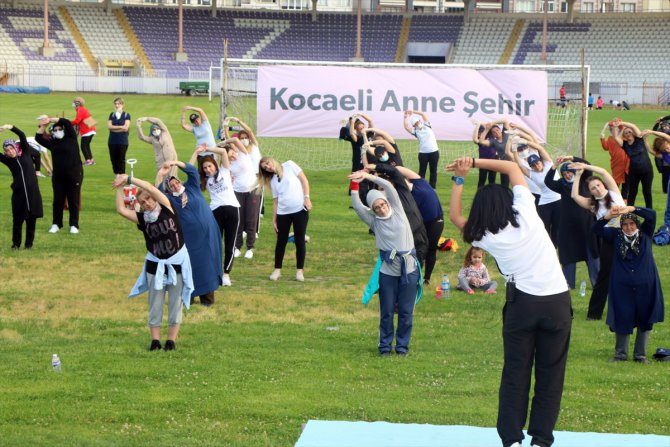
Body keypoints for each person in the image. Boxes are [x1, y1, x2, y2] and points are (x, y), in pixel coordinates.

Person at [448, 157, 571, 447]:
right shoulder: (527, 211)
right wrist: (474, 162)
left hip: (523, 306)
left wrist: (460, 178)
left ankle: (512, 439)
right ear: (509, 202)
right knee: (550, 375)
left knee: (516, 372)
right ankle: (541, 439)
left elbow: (455, 217)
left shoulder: (484, 235)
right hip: (556, 302)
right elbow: (512, 168)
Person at [112, 172, 194, 351]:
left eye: (148, 199)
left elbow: (149, 187)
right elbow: (121, 210)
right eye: (142, 203)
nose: (147, 203)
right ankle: (155, 341)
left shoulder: (167, 207)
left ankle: (171, 341)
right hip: (155, 265)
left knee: (175, 303)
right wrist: (119, 188)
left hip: (177, 263)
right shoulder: (143, 219)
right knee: (155, 303)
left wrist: (129, 179)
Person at [349, 170, 419, 356]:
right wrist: (355, 185)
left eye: (382, 204)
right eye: (376, 207)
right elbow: (357, 206)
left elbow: (388, 186)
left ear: (387, 202)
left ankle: (402, 348)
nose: (381, 208)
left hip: (409, 270)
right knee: (387, 312)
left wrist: (368, 176)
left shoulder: (398, 211)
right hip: (388, 273)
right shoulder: (374, 221)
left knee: (406, 313)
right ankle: (385, 347)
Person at [593, 206, 664, 363]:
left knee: (645, 318)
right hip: (621, 286)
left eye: (632, 224)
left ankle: (640, 355)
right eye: (625, 224)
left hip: (646, 286)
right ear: (621, 226)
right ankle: (620, 354)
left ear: (637, 225)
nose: (629, 227)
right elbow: (596, 229)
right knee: (622, 316)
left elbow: (651, 214)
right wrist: (607, 216)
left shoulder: (645, 234)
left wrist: (632, 208)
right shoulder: (615, 236)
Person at [157, 160, 223, 306]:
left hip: (209, 233)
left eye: (176, 183)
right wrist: (161, 175)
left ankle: (208, 299)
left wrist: (174, 162)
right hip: (190, 240)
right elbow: (158, 194)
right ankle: (189, 297)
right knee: (191, 267)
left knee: (208, 266)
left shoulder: (192, 188)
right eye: (172, 186)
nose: (175, 185)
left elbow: (192, 171)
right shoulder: (170, 200)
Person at [570, 162, 625, 321]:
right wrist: (578, 175)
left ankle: (628, 310)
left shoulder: (614, 192)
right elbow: (574, 196)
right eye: (593, 188)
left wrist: (585, 166)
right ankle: (594, 314)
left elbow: (603, 170)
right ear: (591, 192)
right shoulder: (593, 204)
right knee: (604, 278)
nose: (598, 189)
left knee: (627, 275)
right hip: (609, 240)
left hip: (626, 236)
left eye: (599, 185)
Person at [371, 164, 436, 285]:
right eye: (380, 189)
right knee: (396, 279)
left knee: (412, 278)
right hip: (396, 248)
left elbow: (394, 172)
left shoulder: (403, 192)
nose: (383, 192)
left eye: (385, 187)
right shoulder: (383, 208)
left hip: (417, 241)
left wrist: (376, 167)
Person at [190, 140, 243, 287]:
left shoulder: (225, 171)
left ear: (214, 165)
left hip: (233, 210)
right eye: (205, 167)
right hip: (216, 212)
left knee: (230, 244)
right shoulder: (204, 181)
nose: (207, 169)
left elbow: (223, 152)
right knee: (214, 243)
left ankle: (226, 274)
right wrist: (196, 153)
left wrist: (207, 148)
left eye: (209, 166)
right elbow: (189, 169)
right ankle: (214, 271)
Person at [544, 156, 600, 290]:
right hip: (568, 227)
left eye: (569, 172)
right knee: (569, 254)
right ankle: (568, 284)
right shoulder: (561, 185)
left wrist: (572, 158)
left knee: (591, 253)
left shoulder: (585, 181)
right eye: (564, 174)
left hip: (586, 225)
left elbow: (587, 164)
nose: (568, 175)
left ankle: (597, 283)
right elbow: (547, 182)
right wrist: (554, 166)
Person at [257, 157, 311, 282]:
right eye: (265, 168)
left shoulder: (290, 165)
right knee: (281, 241)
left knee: (300, 240)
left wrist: (307, 197)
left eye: (267, 163)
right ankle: (277, 270)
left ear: (271, 160)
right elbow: (276, 201)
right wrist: (274, 220)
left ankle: (299, 271)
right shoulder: (272, 180)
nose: (268, 167)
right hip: (283, 213)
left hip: (300, 210)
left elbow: (304, 180)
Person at [508, 139, 561, 246]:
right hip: (545, 203)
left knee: (557, 227)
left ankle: (554, 246)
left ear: (541, 161)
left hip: (558, 201)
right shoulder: (531, 174)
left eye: (537, 163)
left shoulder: (548, 164)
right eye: (533, 165)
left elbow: (540, 148)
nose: (537, 166)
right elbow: (518, 163)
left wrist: (524, 141)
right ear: (531, 167)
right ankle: (544, 245)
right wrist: (514, 149)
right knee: (544, 226)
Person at [35, 115, 84, 234]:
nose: (57, 132)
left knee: (73, 200)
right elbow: (38, 137)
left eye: (59, 129)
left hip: (74, 174)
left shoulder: (71, 137)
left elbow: (66, 122)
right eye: (55, 130)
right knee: (58, 201)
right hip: (58, 176)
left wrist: (50, 119)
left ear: (63, 130)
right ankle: (56, 224)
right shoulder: (52, 142)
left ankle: (74, 225)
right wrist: (44, 125)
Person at [0, 124, 43, 249]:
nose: (10, 151)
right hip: (19, 195)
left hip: (32, 193)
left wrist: (10, 127)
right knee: (17, 221)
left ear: (15, 147)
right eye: (7, 150)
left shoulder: (25, 152)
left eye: (11, 148)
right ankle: (16, 244)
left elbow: (22, 135)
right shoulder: (8, 160)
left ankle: (29, 244)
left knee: (32, 220)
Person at [224, 116, 263, 236]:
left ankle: (254, 230)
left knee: (256, 206)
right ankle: (244, 229)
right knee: (244, 205)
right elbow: (228, 139)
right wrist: (226, 127)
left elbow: (250, 131)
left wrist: (238, 121)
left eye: (246, 138)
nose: (245, 139)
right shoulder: (239, 151)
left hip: (257, 178)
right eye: (242, 138)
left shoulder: (254, 146)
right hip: (245, 178)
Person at [226, 131, 260, 259]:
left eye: (233, 153)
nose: (233, 155)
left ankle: (250, 247)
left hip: (252, 191)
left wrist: (225, 138)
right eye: (230, 154)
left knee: (251, 219)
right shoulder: (228, 163)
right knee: (238, 220)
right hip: (237, 192)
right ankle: (237, 247)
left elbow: (235, 141)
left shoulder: (244, 154)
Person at [612, 119, 653, 208]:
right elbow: (616, 138)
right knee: (632, 192)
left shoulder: (639, 139)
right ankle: (629, 211)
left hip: (647, 170)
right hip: (634, 172)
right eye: (626, 133)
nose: (628, 134)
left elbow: (633, 126)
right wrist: (618, 127)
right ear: (624, 136)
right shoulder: (625, 145)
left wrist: (622, 123)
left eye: (630, 132)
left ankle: (649, 211)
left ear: (633, 133)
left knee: (647, 191)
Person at [403, 110, 439, 188]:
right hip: (423, 154)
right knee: (422, 171)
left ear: (420, 121)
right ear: (414, 126)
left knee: (433, 170)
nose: (418, 124)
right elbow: (406, 127)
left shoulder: (427, 125)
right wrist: (405, 117)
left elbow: (423, 114)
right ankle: (421, 186)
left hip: (434, 152)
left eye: (418, 122)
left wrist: (413, 111)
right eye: (415, 124)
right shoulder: (415, 131)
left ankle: (432, 187)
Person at [600, 121, 629, 201]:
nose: (612, 130)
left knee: (626, 182)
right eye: (611, 128)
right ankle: (612, 196)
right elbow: (605, 147)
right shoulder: (610, 138)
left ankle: (624, 200)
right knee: (615, 181)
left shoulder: (624, 137)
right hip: (616, 163)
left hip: (626, 163)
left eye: (614, 128)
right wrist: (604, 129)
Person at [478, 119, 511, 188]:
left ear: (500, 130)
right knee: (505, 185)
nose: (496, 132)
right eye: (493, 132)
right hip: (505, 165)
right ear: (492, 135)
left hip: (516, 162)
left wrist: (492, 123)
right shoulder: (493, 142)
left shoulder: (506, 134)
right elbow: (481, 141)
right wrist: (487, 129)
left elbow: (505, 121)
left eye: (497, 130)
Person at [107, 97, 130, 176]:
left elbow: (126, 128)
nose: (117, 105)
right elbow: (109, 126)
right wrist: (121, 127)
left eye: (119, 103)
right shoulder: (112, 115)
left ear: (122, 105)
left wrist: (114, 128)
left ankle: (122, 175)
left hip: (122, 141)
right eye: (116, 104)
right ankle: (117, 174)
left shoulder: (126, 115)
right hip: (112, 141)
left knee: (121, 158)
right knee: (113, 159)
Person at [70, 96, 96, 166]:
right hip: (91, 129)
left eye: (74, 102)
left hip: (86, 130)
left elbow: (77, 121)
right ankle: (91, 160)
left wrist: (68, 122)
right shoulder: (83, 109)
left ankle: (88, 160)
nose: (73, 103)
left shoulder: (80, 110)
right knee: (87, 145)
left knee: (83, 146)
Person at [643, 129, 670, 194]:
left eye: (668, 147)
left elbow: (664, 135)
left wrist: (651, 132)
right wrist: (645, 139)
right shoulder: (664, 156)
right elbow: (650, 150)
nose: (668, 149)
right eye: (665, 149)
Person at [472, 121, 497, 188]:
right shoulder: (480, 141)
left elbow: (489, 126)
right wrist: (477, 125)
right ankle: (479, 196)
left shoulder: (491, 136)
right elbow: (475, 139)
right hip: (483, 162)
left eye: (481, 133)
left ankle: (492, 196)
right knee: (482, 180)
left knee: (492, 181)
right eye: (479, 133)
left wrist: (481, 123)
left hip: (493, 161)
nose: (479, 135)